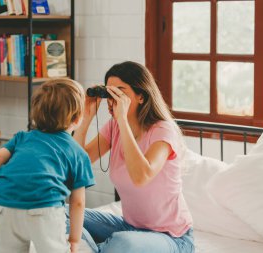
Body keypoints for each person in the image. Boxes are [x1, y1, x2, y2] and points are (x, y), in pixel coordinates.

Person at [73, 61, 195, 253]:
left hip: (172, 238)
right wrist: (86, 118)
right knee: (60, 213)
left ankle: (99, 248)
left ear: (140, 96)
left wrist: (122, 120)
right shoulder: (113, 127)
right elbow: (78, 165)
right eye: (110, 93)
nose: (114, 100)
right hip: (129, 228)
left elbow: (141, 176)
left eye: (120, 92)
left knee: (124, 243)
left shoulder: (163, 130)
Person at [0, 78, 95, 253]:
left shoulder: (22, 138)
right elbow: (78, 202)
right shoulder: (77, 152)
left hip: (5, 204)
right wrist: (74, 239)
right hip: (44, 209)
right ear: (78, 117)